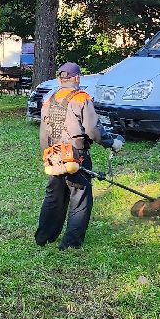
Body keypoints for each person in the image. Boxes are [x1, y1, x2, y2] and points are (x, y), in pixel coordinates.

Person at [36, 61, 122, 251]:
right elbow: (93, 130)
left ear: (60, 79)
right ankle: (71, 244)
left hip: (54, 154)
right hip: (76, 155)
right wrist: (111, 142)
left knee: (54, 197)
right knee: (79, 197)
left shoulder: (49, 99)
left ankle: (44, 237)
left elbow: (43, 132)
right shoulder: (82, 98)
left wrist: (47, 155)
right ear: (76, 78)